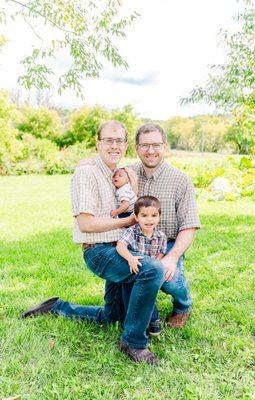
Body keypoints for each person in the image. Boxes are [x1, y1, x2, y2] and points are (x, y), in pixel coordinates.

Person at [21, 120, 165, 365]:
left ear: (125, 145)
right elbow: (85, 224)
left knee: (113, 316)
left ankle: (58, 307)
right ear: (98, 144)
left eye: (119, 140)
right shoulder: (86, 173)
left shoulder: (117, 174)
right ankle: (133, 342)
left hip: (118, 249)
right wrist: (127, 221)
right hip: (99, 251)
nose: (114, 145)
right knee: (151, 269)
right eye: (108, 140)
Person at [78, 123, 201, 330]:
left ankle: (182, 305)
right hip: (134, 241)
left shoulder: (180, 179)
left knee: (168, 277)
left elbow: (190, 226)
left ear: (165, 146)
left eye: (156, 145)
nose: (150, 150)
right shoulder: (126, 173)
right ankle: (146, 318)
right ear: (136, 148)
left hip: (166, 243)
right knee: (135, 277)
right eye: (144, 145)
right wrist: (84, 162)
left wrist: (171, 258)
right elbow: (100, 168)